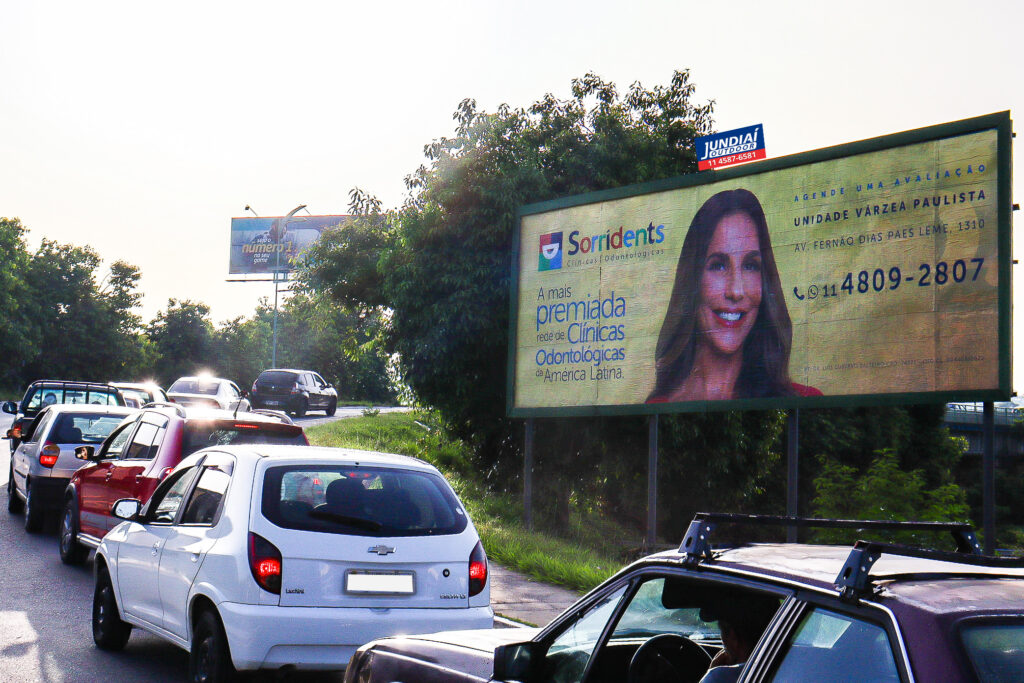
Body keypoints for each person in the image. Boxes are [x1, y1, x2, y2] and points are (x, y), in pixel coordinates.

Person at [647, 188, 821, 402]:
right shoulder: (659, 407)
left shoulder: (805, 401)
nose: (736, 291)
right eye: (718, 265)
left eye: (750, 266)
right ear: (692, 279)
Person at [699, 596, 779, 683]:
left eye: (722, 631)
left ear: (733, 637)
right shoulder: (789, 667)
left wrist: (712, 671)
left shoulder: (720, 677)